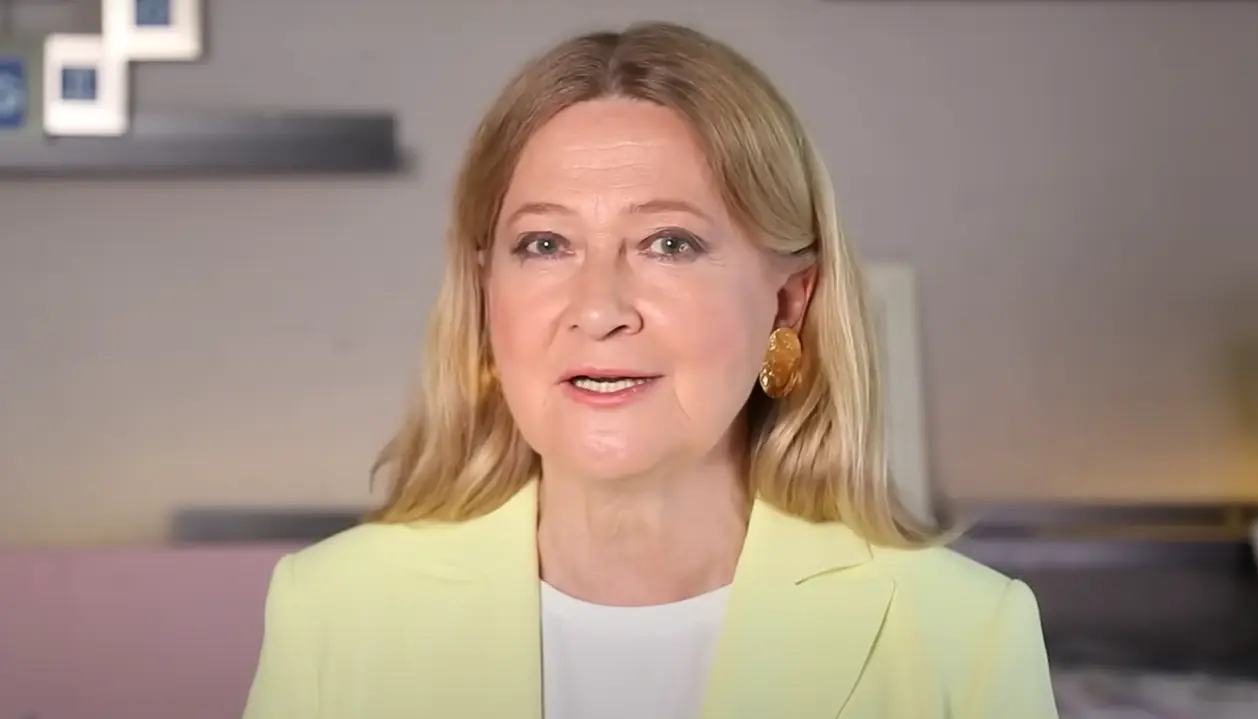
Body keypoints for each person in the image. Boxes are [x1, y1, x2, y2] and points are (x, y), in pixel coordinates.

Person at [242, 20, 1058, 719]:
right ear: (487, 295)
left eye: (670, 243)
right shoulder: (332, 612)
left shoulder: (964, 632)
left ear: (789, 301)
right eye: (545, 244)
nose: (599, 308)